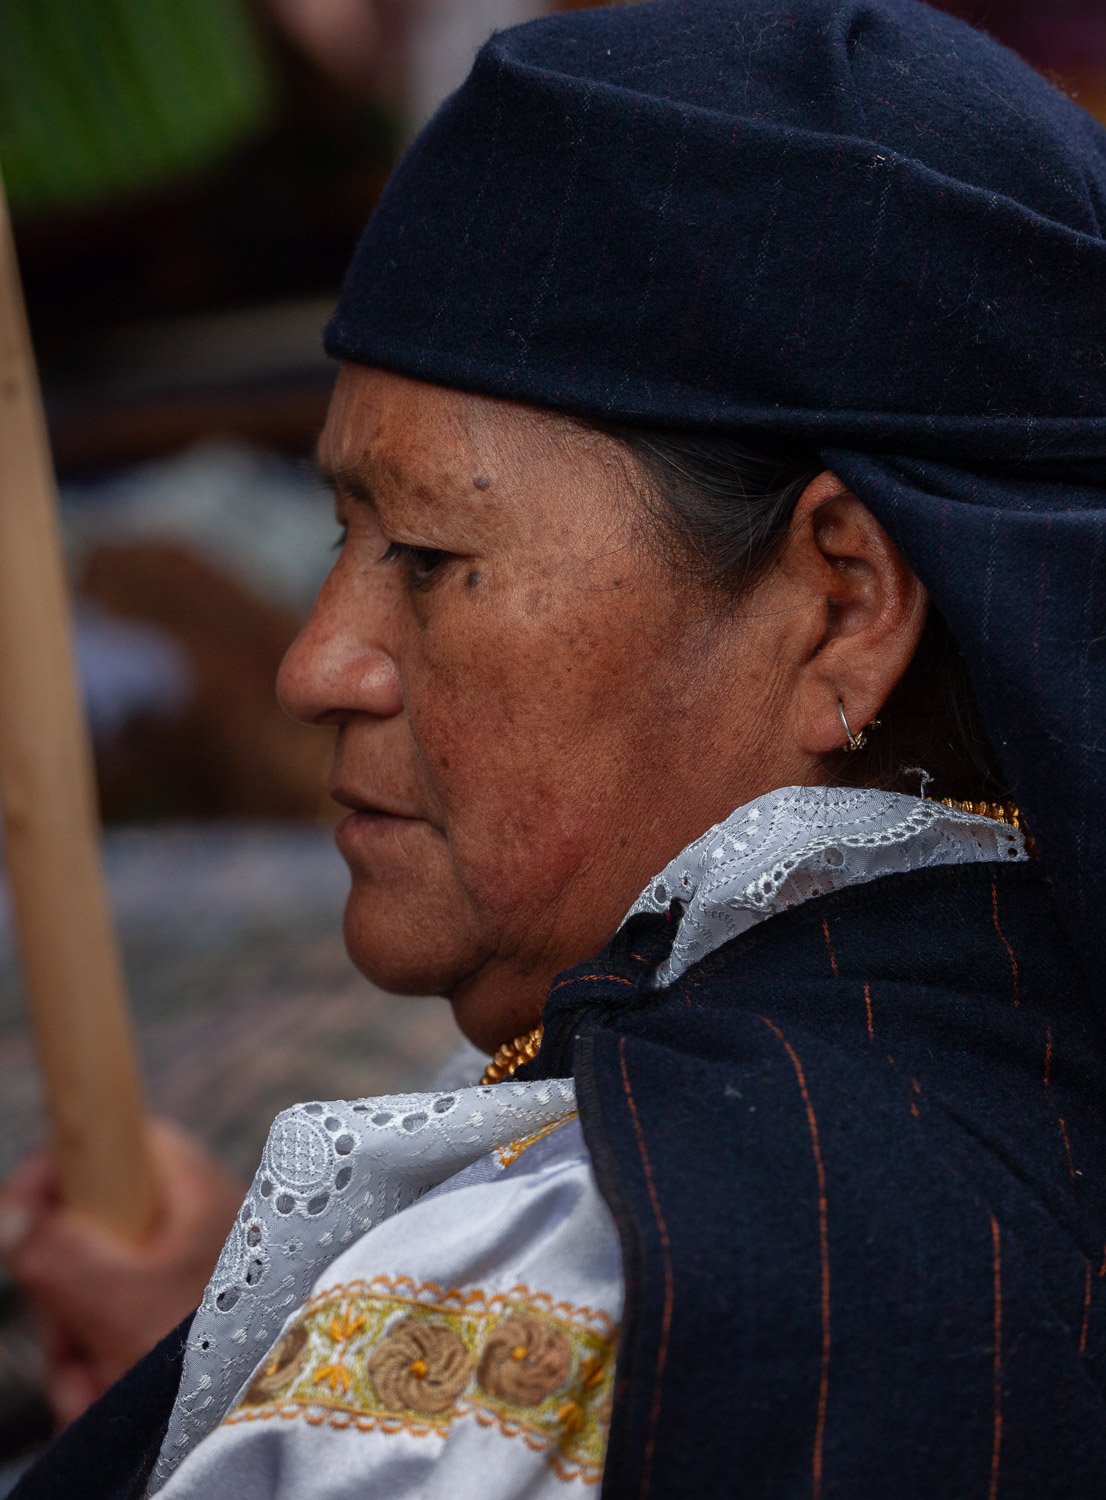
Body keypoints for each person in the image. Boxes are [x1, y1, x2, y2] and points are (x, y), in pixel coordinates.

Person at [5, 0, 1106, 1493]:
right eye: (343, 535)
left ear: (843, 603)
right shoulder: (1013, 1072)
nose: (315, 662)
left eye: (430, 553)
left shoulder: (578, 1306)